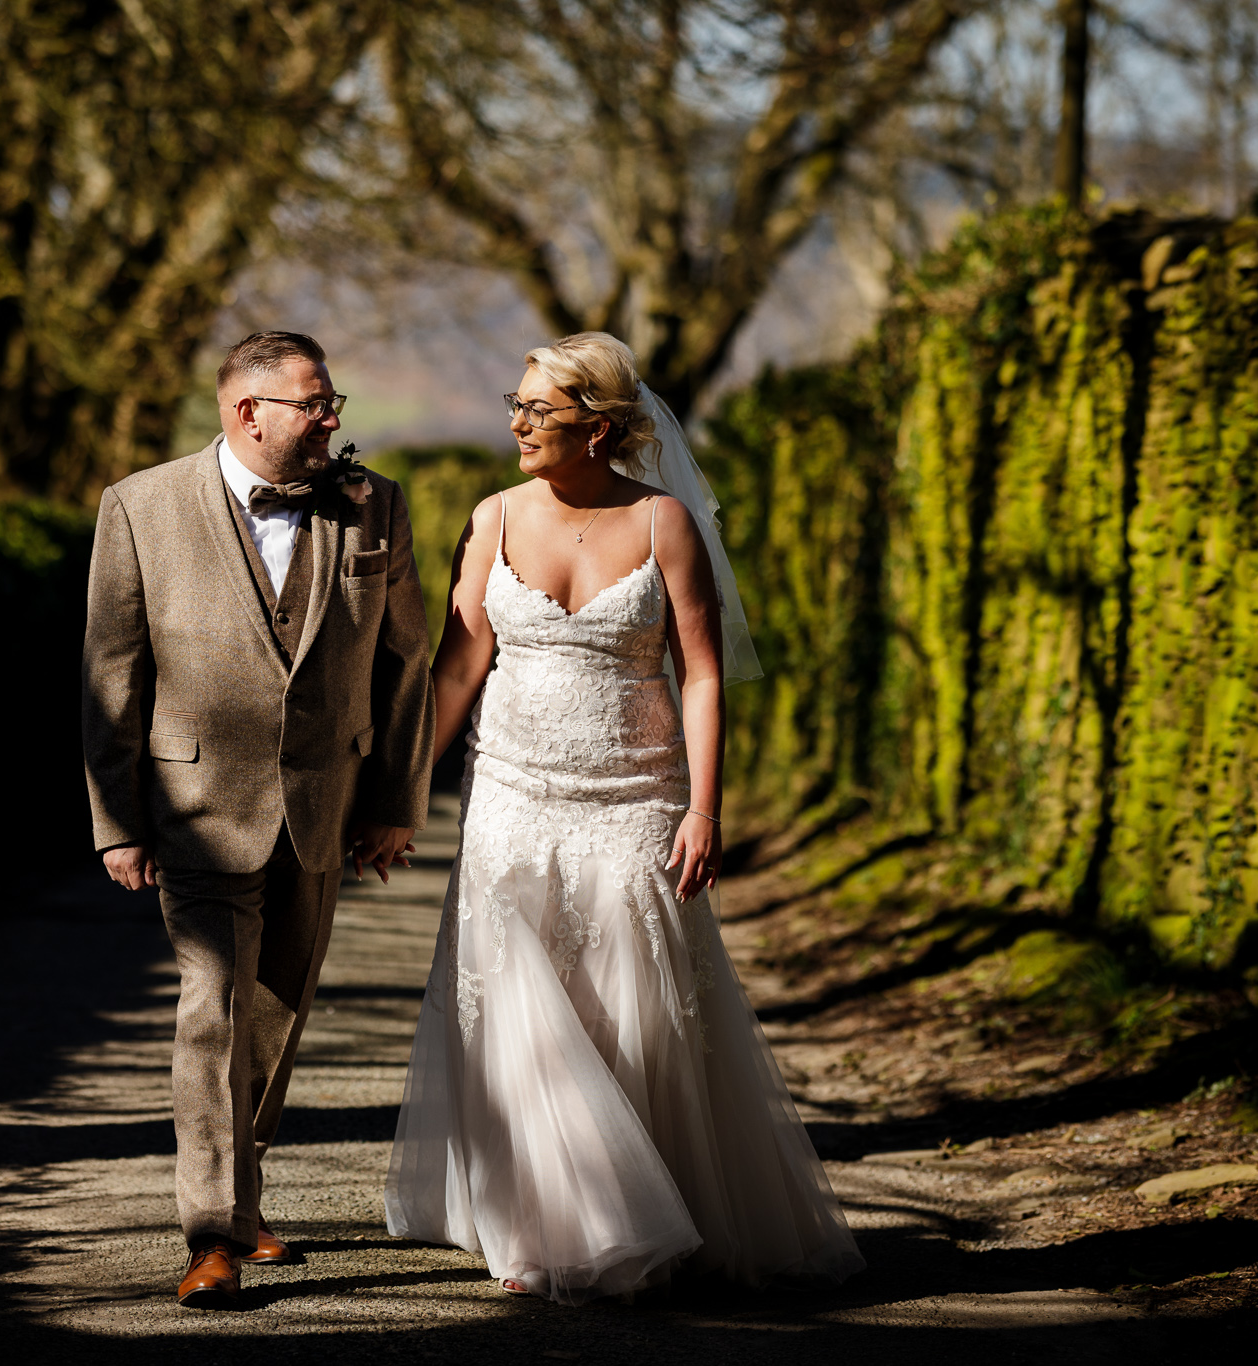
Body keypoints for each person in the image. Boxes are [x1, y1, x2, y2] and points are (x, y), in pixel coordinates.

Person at [385, 332, 863, 1303]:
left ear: (597, 428)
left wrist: (703, 807)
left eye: (538, 410)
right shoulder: (491, 519)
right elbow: (456, 669)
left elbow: (700, 674)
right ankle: (534, 1228)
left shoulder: (663, 525)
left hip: (633, 799)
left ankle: (655, 1209)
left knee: (629, 1011)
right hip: (509, 798)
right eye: (513, 404)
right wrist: (397, 798)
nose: (515, 423)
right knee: (517, 1015)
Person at [83, 330, 435, 1308]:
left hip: (323, 806)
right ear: (249, 412)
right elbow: (110, 675)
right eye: (314, 403)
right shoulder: (139, 507)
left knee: (275, 1017)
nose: (333, 418)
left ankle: (240, 1197)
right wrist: (116, 818)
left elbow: (406, 664)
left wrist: (395, 804)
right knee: (211, 1014)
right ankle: (209, 1235)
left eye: (332, 403)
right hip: (195, 809)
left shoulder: (374, 507)